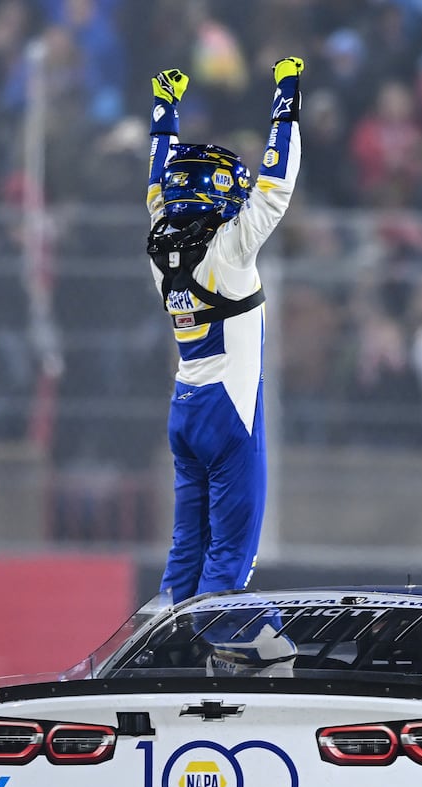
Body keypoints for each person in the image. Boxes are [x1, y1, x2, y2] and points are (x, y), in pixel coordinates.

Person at [145, 56, 303, 605]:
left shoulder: (160, 252)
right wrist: (288, 95)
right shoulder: (231, 248)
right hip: (228, 415)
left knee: (186, 548)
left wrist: (166, 108)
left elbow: (154, 186)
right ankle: (213, 655)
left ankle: (158, 642)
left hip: (184, 408)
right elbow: (276, 187)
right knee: (231, 559)